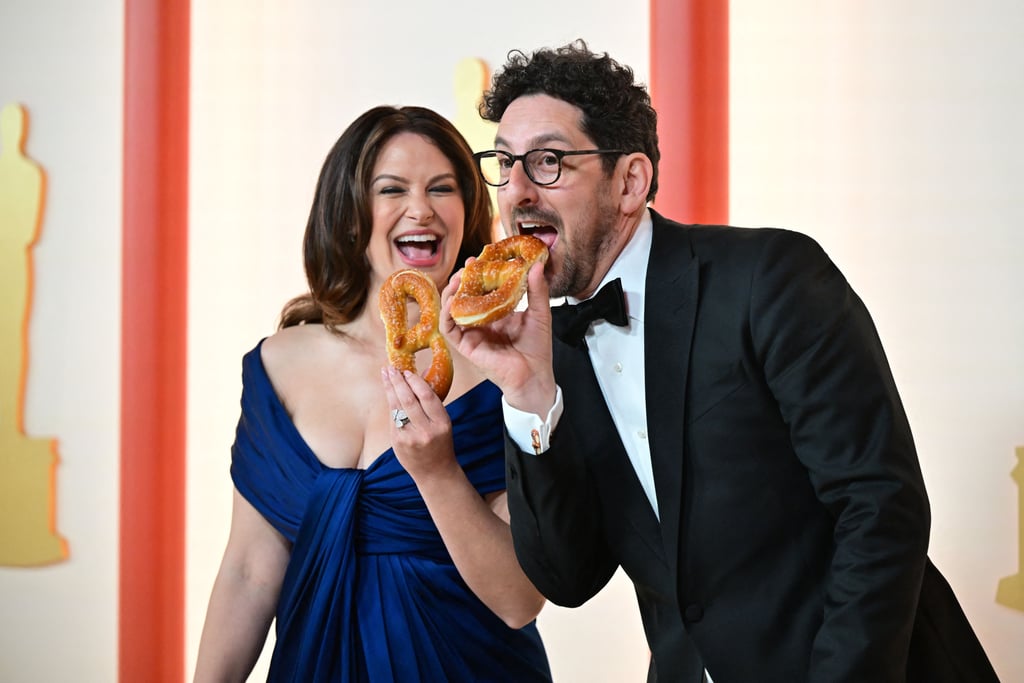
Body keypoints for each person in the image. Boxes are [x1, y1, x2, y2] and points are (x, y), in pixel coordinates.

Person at [441, 41, 1000, 683]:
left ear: (630, 182)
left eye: (546, 161)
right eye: (505, 163)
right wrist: (528, 395)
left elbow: (880, 507)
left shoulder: (771, 278)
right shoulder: (547, 347)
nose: (514, 191)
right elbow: (567, 578)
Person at [194, 105, 551, 682]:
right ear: (352, 215)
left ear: (467, 213)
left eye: (443, 188)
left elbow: (519, 600)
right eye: (392, 189)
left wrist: (436, 473)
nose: (421, 209)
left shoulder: (507, 369)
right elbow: (249, 571)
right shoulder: (277, 365)